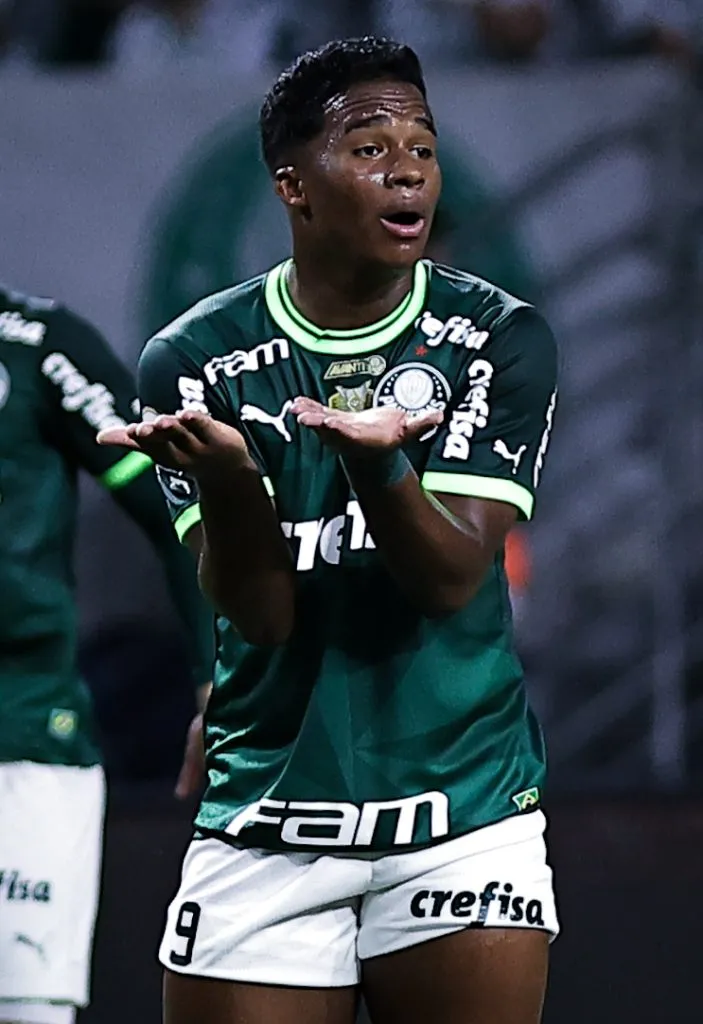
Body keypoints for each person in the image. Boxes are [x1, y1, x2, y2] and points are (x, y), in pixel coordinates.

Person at [100, 36, 560, 1024]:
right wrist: (227, 480)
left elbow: (447, 579)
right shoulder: (195, 357)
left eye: (422, 148)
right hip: (268, 818)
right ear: (292, 187)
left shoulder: (495, 336)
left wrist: (372, 459)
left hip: (459, 813)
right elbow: (259, 616)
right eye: (368, 147)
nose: (406, 169)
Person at [0, 285, 213, 1024]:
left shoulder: (34, 345)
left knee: (27, 1011)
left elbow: (174, 505)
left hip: (23, 737)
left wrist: (217, 675)